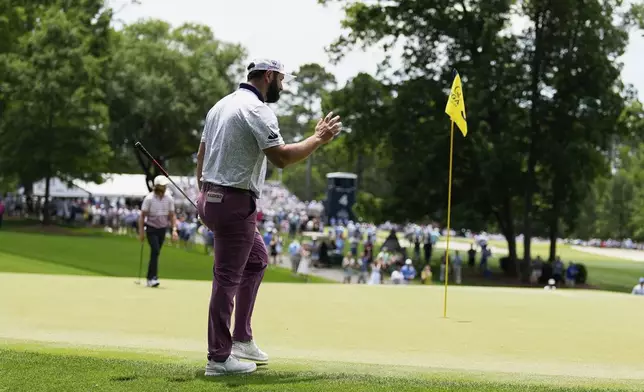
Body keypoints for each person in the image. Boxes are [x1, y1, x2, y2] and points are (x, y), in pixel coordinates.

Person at [195, 58, 342, 376]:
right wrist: (318, 139)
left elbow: (202, 154)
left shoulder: (221, 105)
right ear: (269, 76)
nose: (283, 87)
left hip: (213, 197)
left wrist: (201, 194)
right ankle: (218, 358)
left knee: (258, 259)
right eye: (281, 81)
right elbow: (282, 158)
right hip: (235, 202)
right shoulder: (258, 109)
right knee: (226, 279)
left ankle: (242, 338)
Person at [138, 176, 178, 288]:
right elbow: (142, 216)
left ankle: (150, 277)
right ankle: (152, 278)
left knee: (156, 253)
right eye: (162, 185)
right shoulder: (149, 198)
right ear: (157, 186)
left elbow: (172, 216)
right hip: (151, 228)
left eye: (165, 185)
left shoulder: (169, 198)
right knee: (155, 251)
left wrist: (174, 230)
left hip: (162, 229)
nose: (164, 187)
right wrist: (141, 232)